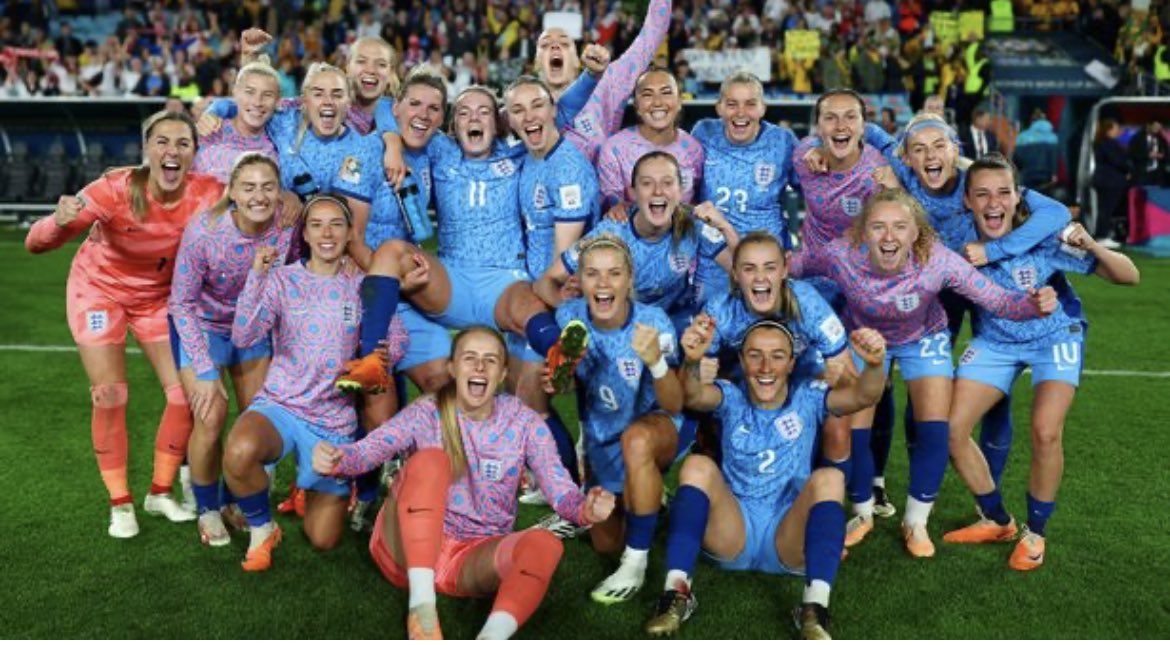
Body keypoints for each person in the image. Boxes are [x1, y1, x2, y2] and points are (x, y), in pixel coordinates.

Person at [788, 188, 1058, 557]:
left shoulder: (938, 259)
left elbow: (995, 298)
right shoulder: (840, 253)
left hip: (922, 338)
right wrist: (756, 269)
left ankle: (916, 522)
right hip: (864, 339)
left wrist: (1030, 305)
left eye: (900, 226)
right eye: (878, 227)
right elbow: (793, 266)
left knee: (935, 428)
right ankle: (863, 514)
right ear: (862, 232)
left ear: (915, 233)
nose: (888, 236)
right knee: (854, 430)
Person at [311, 326, 616, 639]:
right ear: (453, 369)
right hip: (406, 550)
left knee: (545, 543)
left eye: (490, 360)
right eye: (470, 358)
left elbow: (559, 490)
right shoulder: (427, 412)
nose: (480, 367)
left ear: (502, 373)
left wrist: (585, 510)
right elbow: (371, 449)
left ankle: (492, 636)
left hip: (473, 559)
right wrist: (339, 459)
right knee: (432, 461)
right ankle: (422, 607)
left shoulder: (525, 423)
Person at [25, 110, 222, 538]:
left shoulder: (208, 193)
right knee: (110, 394)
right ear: (146, 149)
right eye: (162, 142)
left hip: (156, 299)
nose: (172, 151)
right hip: (100, 292)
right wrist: (56, 222)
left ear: (194, 154)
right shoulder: (113, 190)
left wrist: (287, 203)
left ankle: (160, 492)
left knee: (184, 396)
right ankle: (120, 504)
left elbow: (255, 203)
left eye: (183, 143)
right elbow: (36, 243)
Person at [944, 155, 1140, 570]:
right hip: (995, 341)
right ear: (967, 201)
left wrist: (1091, 244)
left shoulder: (1045, 239)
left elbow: (1129, 276)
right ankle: (998, 520)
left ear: (1017, 198)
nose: (993, 203)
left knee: (1046, 431)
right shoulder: (957, 243)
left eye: (1003, 192)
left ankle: (1035, 533)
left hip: (1055, 338)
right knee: (951, 430)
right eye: (982, 194)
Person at [641, 319, 888, 638]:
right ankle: (675, 595)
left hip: (788, 533)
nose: (766, 366)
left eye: (777, 356)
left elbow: (863, 398)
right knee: (697, 466)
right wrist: (691, 361)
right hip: (734, 530)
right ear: (742, 361)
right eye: (755, 355)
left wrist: (873, 366)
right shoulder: (729, 396)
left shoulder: (809, 397)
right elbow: (692, 396)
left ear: (791, 363)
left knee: (829, 478)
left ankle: (815, 609)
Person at [222, 195, 408, 571]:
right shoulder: (282, 278)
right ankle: (263, 530)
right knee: (240, 451)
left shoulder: (363, 285)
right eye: (317, 224)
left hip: (333, 421)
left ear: (348, 232)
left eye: (336, 224)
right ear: (304, 233)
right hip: (282, 405)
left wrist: (381, 356)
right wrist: (256, 277)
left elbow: (398, 336)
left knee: (323, 539)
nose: (326, 233)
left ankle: (313, 485)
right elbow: (243, 336)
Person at [546, 235, 691, 605]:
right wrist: (555, 375)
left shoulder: (653, 322)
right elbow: (561, 385)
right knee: (606, 543)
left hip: (655, 429)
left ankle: (636, 564)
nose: (604, 283)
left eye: (614, 273)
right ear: (580, 281)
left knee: (638, 442)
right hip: (602, 440)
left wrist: (656, 361)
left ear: (630, 280)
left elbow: (675, 404)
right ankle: (646, 496)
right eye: (593, 274)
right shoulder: (569, 317)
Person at [168, 153, 299, 546]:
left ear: (280, 192)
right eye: (249, 187)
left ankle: (234, 499)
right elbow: (181, 303)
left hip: (255, 327)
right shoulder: (205, 231)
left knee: (257, 421)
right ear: (232, 193)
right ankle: (207, 509)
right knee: (210, 416)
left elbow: (292, 276)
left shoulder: (286, 225)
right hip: (204, 325)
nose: (259, 196)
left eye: (267, 187)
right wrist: (206, 374)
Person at [535, 152, 737, 336]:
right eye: (647, 183)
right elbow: (545, 282)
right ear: (633, 192)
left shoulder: (694, 225)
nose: (658, 191)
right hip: (623, 326)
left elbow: (745, 273)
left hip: (675, 320)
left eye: (667, 183)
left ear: (680, 190)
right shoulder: (610, 232)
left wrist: (726, 228)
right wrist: (577, 316)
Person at [689, 71, 800, 305]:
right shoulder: (703, 133)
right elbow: (686, 195)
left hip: (766, 264)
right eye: (732, 104)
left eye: (750, 104)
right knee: (709, 332)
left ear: (762, 108)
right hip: (713, 263)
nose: (741, 113)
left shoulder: (782, 141)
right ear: (719, 107)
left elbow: (811, 187)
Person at [534, 0, 673, 163]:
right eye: (545, 44)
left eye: (564, 43)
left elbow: (649, 38)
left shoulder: (605, 83)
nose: (555, 47)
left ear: (577, 60)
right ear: (536, 62)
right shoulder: (522, 106)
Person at [596, 67, 704, 210]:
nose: (657, 102)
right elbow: (611, 203)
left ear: (679, 102)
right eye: (647, 95)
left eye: (666, 93)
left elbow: (698, 201)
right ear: (637, 105)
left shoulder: (693, 149)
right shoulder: (614, 149)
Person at [192, 58, 281, 184]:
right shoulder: (211, 130)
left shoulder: (281, 143)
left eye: (267, 95)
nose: (257, 102)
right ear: (235, 92)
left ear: (277, 101)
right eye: (250, 92)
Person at [1091, 117, 1131, 249]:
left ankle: (1103, 235)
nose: (1118, 131)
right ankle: (1102, 236)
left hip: (1106, 181)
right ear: (1108, 130)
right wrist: (1128, 167)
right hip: (1109, 181)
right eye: (1115, 128)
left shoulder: (1101, 143)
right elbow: (1118, 161)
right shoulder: (1108, 144)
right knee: (1106, 210)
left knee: (1106, 209)